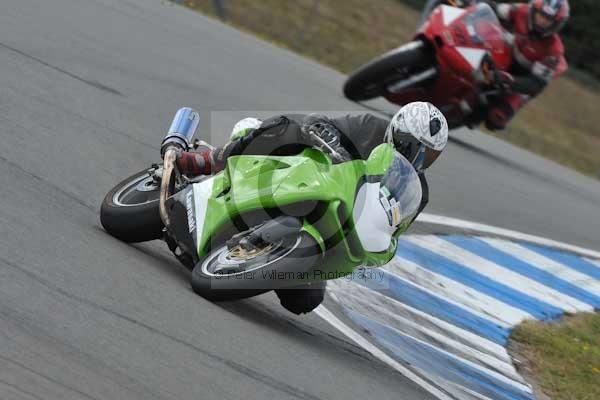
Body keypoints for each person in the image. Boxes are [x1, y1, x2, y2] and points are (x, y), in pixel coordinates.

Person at [175, 102, 448, 224]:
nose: (419, 159)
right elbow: (318, 123)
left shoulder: (416, 192)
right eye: (415, 148)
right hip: (310, 171)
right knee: (288, 127)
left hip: (333, 220)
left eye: (430, 155)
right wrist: (339, 152)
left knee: (305, 300)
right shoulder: (371, 127)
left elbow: (392, 235)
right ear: (397, 131)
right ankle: (211, 160)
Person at [422, 0, 569, 130]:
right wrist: (471, 6)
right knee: (482, 59)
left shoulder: (553, 51)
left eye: (547, 20)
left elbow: (536, 84)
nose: (541, 21)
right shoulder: (520, 10)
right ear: (533, 11)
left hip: (522, 80)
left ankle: (468, 116)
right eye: (540, 15)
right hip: (508, 54)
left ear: (556, 24)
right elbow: (493, 8)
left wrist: (511, 81)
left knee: (496, 119)